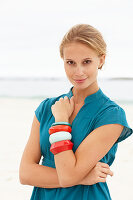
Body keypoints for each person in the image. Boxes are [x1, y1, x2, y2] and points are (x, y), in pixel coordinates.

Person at [19, 24, 133, 200]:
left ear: (101, 60)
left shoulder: (111, 115)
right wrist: (83, 178)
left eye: (86, 62)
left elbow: (68, 175)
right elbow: (25, 173)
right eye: (70, 62)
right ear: (63, 60)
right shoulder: (46, 108)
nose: (78, 72)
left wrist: (61, 121)